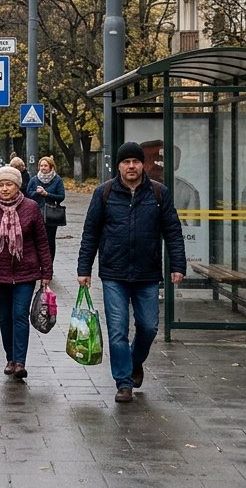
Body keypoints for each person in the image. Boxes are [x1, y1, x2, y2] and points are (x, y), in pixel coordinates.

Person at [77, 141, 186, 404]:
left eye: (135, 162)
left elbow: (172, 230)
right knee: (117, 331)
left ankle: (135, 362)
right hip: (114, 273)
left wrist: (178, 265)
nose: (131, 166)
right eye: (126, 162)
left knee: (148, 327)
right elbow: (90, 233)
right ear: (118, 166)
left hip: (147, 274)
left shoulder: (159, 193)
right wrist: (84, 269)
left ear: (143, 165)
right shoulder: (104, 193)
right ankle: (123, 382)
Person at [0, 164, 52, 380]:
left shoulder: (31, 207)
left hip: (26, 271)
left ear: (18, 186)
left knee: (19, 315)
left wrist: (46, 273)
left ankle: (20, 361)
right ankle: (10, 357)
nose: (5, 189)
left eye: (9, 184)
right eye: (1, 185)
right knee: (4, 318)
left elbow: (42, 242)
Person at [25, 155, 66, 265]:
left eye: (45, 166)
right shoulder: (34, 179)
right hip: (36, 214)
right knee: (35, 240)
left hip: (51, 215)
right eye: (41, 166)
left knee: (49, 241)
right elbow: (28, 194)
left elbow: (61, 196)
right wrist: (37, 193)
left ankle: (48, 265)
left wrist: (47, 194)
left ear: (51, 167)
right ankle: (37, 263)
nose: (43, 168)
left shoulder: (57, 180)